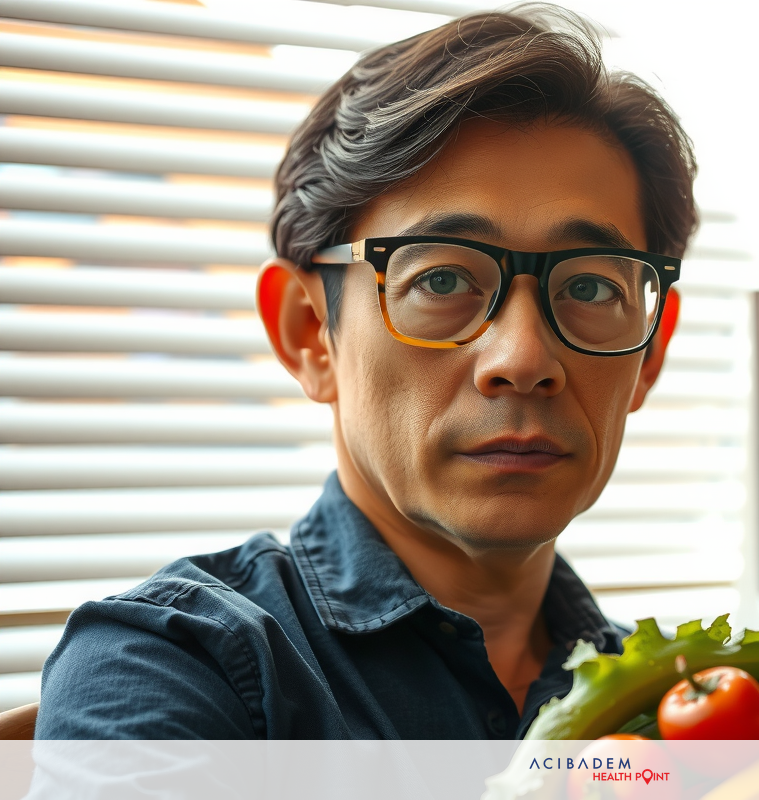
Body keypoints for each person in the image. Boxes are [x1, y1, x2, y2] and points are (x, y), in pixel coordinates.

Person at [34, 7, 696, 739]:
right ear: (311, 334)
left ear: (649, 353)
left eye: (591, 288)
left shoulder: (695, 707)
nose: (524, 360)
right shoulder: (167, 665)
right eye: (443, 282)